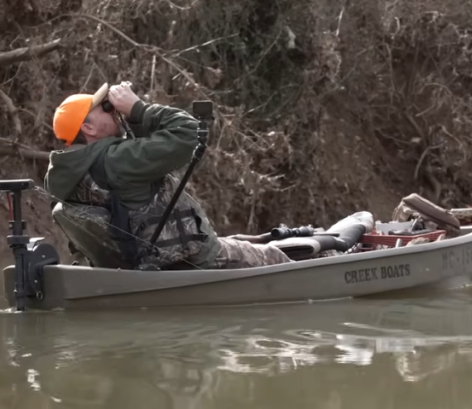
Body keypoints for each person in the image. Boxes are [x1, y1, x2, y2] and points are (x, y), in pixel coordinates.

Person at [44, 81, 293, 270]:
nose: (113, 112)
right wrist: (139, 109)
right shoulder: (118, 160)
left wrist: (131, 121)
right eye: (106, 109)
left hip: (136, 263)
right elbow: (188, 133)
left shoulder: (64, 171)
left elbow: (136, 167)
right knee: (275, 256)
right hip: (186, 262)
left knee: (243, 241)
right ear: (88, 128)